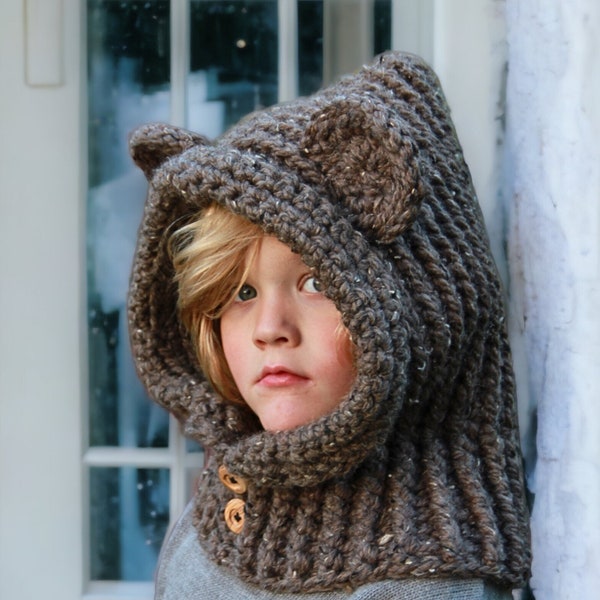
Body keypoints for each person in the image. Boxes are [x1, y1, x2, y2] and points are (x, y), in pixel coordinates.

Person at [127, 51, 531, 599]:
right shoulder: (225, 500)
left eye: (316, 284)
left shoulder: (422, 584)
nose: (269, 328)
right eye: (241, 293)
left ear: (415, 309)